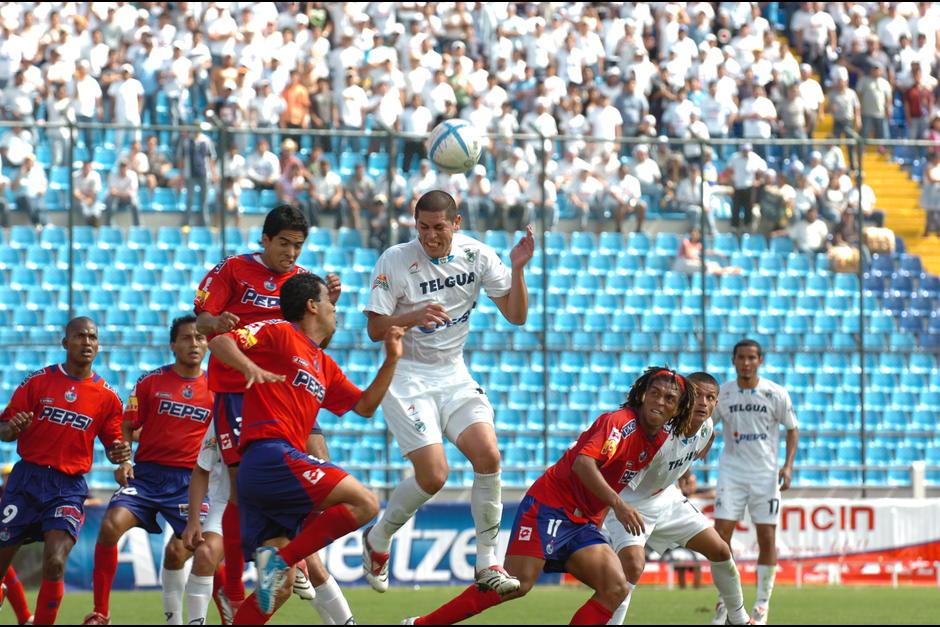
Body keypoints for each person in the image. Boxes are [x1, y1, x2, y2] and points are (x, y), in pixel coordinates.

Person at [403, 368, 695, 626]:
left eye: (669, 399)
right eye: (655, 393)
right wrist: (618, 506)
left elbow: (630, 475)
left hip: (582, 524)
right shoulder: (620, 424)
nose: (660, 401)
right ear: (643, 394)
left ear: (677, 409)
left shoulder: (659, 439)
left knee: (616, 586)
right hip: (551, 506)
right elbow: (583, 464)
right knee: (516, 584)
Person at [362, 190, 534, 596]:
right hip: (407, 376)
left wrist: (518, 269)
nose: (430, 236)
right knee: (434, 475)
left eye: (439, 227)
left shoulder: (477, 255)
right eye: (423, 227)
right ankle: (379, 538)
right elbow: (373, 329)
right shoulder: (395, 259)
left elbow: (516, 316)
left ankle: (488, 560)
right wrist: (411, 316)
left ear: (456, 223)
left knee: (489, 454)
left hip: (454, 373)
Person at [206, 273, 406, 622]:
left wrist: (391, 359)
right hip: (269, 455)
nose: (335, 309)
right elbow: (220, 342)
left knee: (277, 591)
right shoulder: (279, 333)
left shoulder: (324, 364)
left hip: (271, 478)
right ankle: (285, 560)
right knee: (366, 502)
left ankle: (281, 565)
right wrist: (250, 367)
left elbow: (364, 407)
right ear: (312, 306)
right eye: (329, 302)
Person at [193, 205, 345, 618]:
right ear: (265, 240)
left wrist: (330, 313)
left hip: (292, 395)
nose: (291, 253)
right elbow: (202, 324)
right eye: (284, 244)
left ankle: (289, 555)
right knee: (248, 488)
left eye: (298, 245)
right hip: (239, 391)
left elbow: (316, 349)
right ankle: (237, 585)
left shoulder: (302, 284)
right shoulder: (233, 270)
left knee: (322, 473)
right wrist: (217, 321)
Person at [83, 317, 214, 625]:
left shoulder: (217, 388)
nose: (194, 344)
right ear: (173, 345)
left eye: (199, 338)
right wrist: (125, 462)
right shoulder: (150, 382)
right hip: (147, 477)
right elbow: (126, 426)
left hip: (189, 483)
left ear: (208, 343)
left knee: (201, 552)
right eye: (186, 338)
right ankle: (101, 613)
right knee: (110, 525)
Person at [0, 317, 130, 625]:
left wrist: (120, 452)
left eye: (92, 337)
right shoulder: (38, 382)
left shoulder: (106, 396)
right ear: (65, 343)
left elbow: (115, 445)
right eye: (80, 336)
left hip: (67, 487)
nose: (87, 342)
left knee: (55, 563)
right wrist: (10, 428)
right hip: (26, 480)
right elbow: (5, 428)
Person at [604, 372, 751, 626]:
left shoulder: (707, 427)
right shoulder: (656, 431)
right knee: (632, 568)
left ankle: (739, 620)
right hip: (629, 503)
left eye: (711, 398)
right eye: (698, 395)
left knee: (720, 550)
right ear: (683, 398)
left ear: (716, 404)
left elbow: (693, 445)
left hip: (666, 499)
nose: (703, 402)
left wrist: (687, 472)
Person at [703, 340, 799, 625]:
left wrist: (788, 466)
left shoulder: (775, 393)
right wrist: (701, 446)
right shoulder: (725, 394)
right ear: (733, 361)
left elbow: (792, 430)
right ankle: (726, 603)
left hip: (765, 474)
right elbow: (709, 425)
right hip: (732, 472)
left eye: (752, 358)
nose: (746, 363)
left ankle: (761, 604)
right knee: (721, 536)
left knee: (767, 537)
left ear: (760, 361)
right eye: (741, 358)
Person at [0, 464, 32, 625]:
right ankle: (24, 617)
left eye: (10, 475)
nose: (8, 478)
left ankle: (24, 617)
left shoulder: (24, 491)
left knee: (5, 568)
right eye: (5, 475)